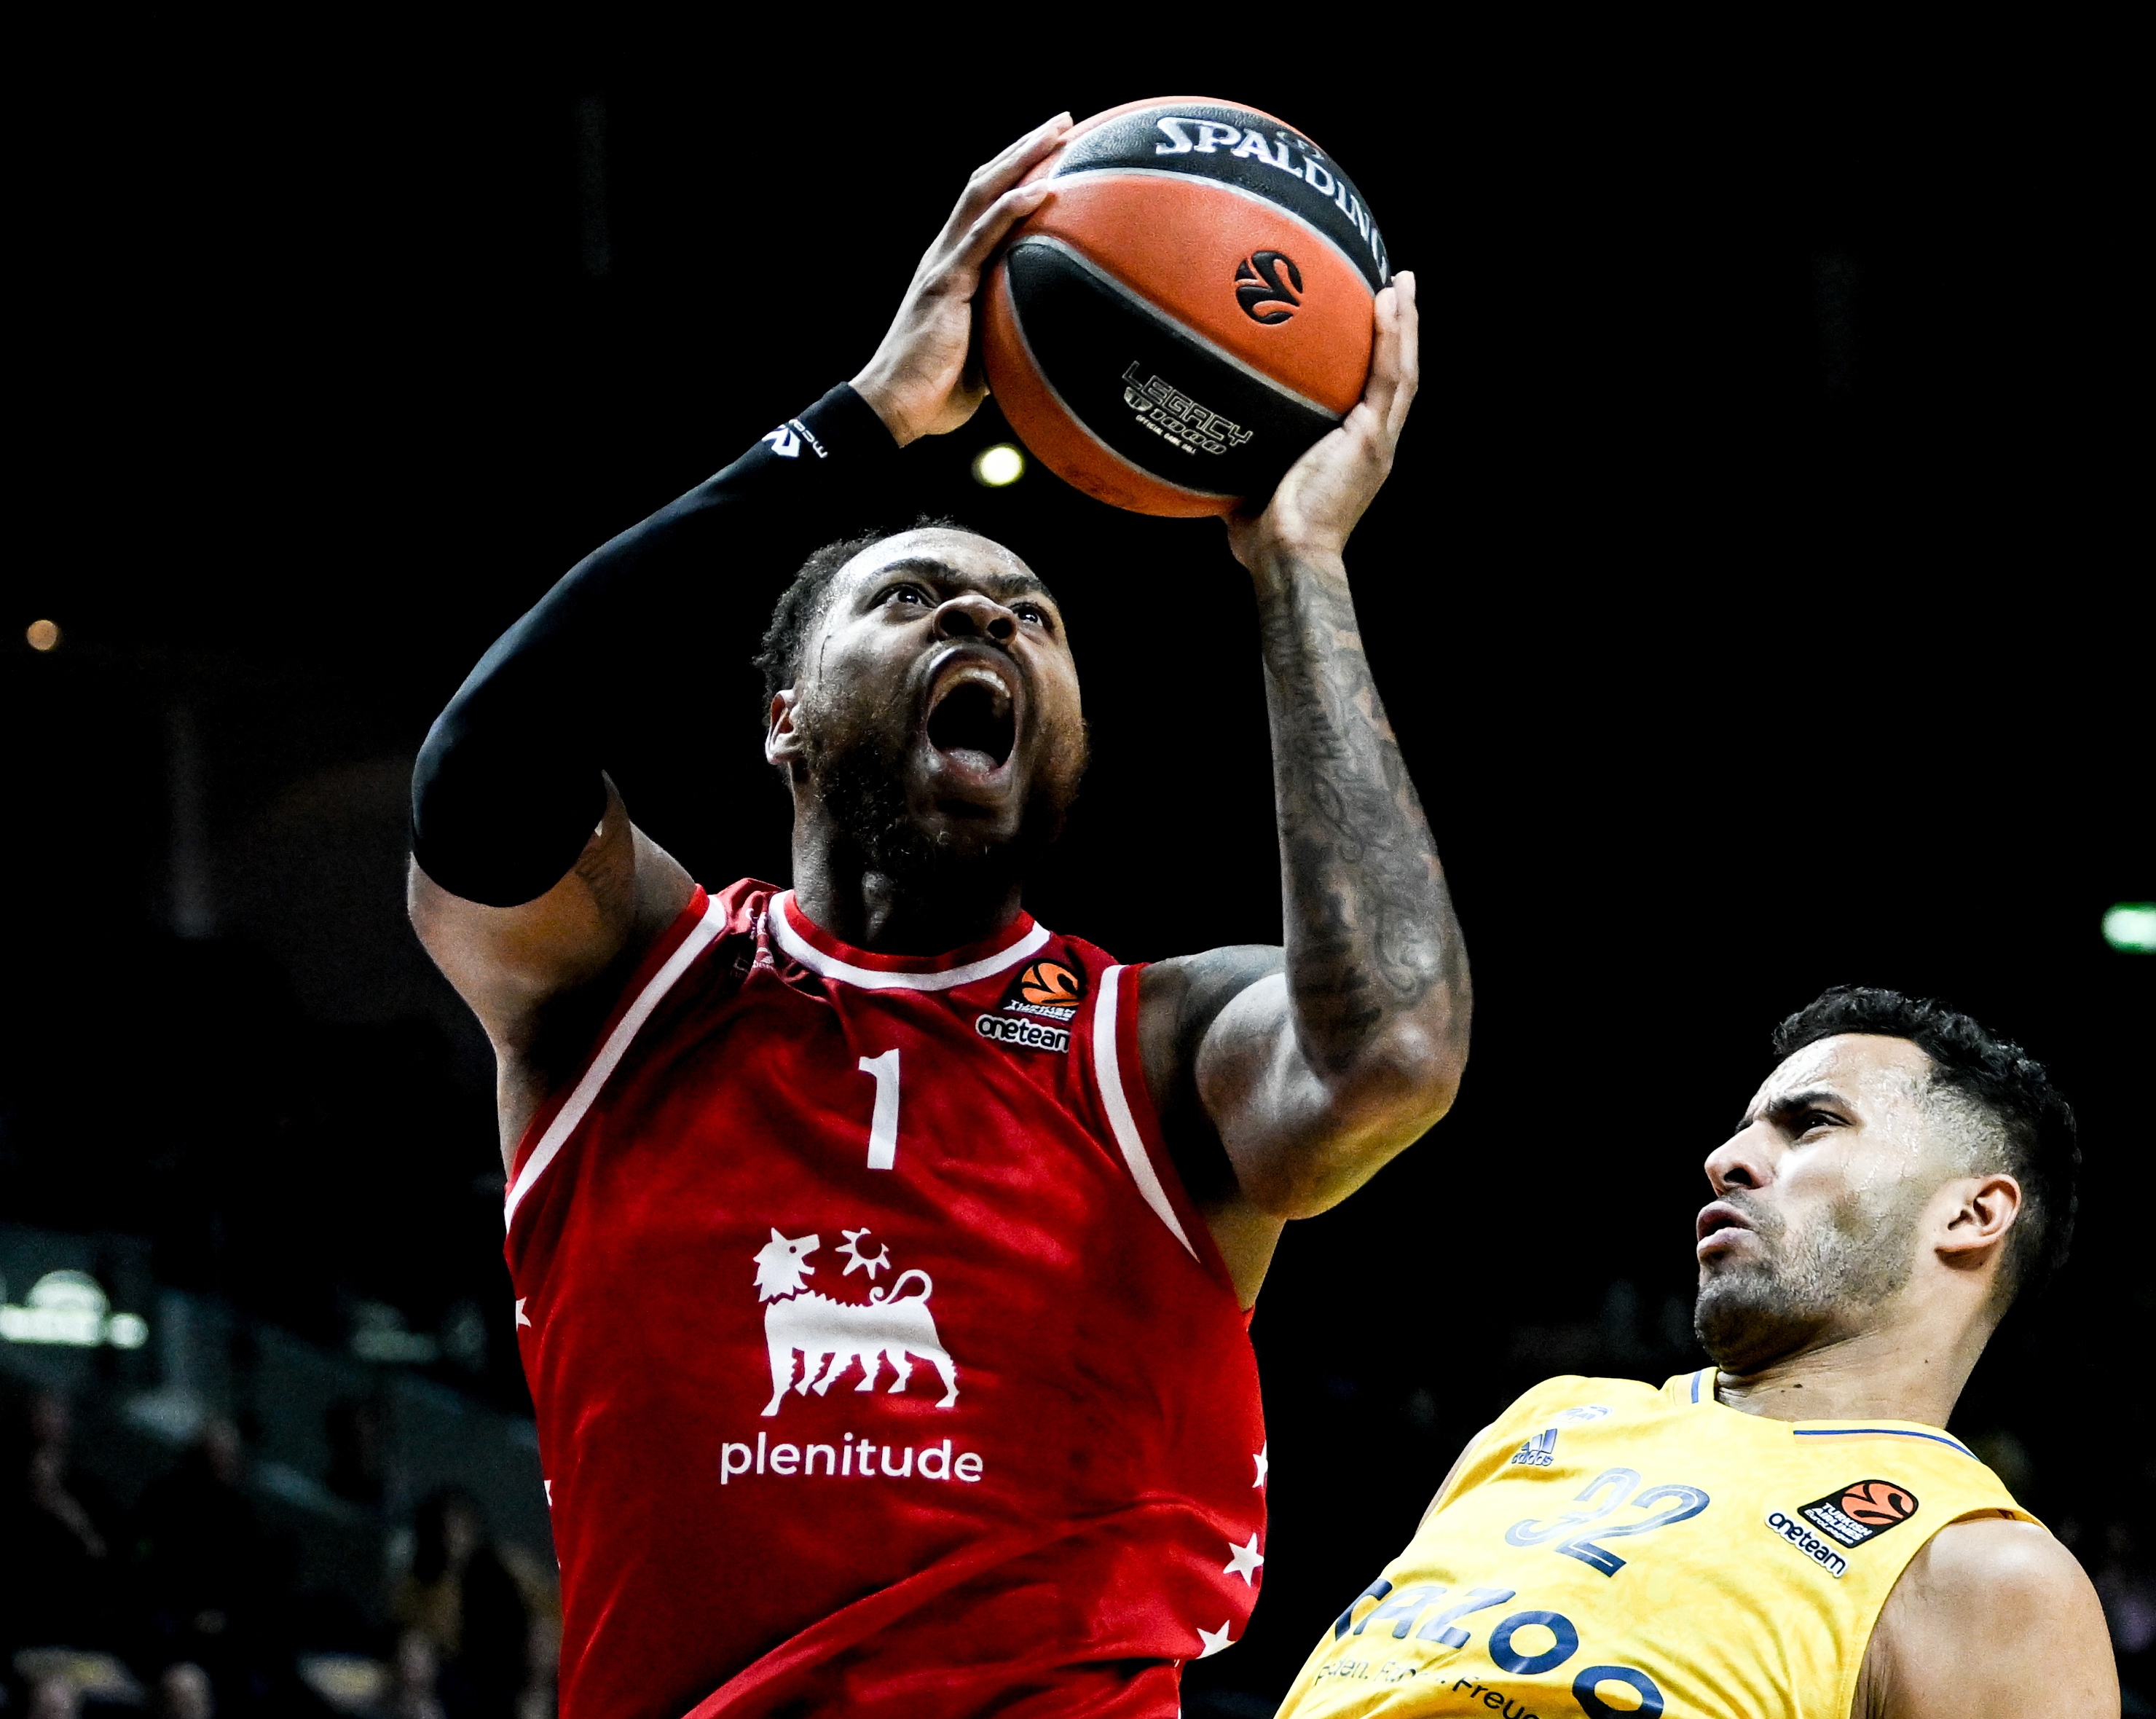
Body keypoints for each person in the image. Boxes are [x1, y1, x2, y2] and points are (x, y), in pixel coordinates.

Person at [407, 112, 1465, 1718]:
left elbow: (1393, 1044)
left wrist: (1299, 567)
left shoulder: (1154, 1043)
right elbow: (483, 783)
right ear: (781, 716)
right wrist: (864, 420)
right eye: (907, 597)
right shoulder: (630, 981)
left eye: (1033, 619)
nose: (984, 611)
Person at [1274, 989, 2118, 1719]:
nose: (1725, 1160)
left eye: (1812, 1123)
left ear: (1971, 1215)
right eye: (1743, 1130)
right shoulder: (1552, 1416)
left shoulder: (1988, 1575)